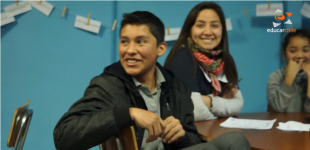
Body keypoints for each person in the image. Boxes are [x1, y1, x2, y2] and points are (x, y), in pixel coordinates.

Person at [53, 11, 251, 150]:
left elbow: (192, 139)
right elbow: (63, 136)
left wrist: (180, 136)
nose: (130, 50)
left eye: (140, 41)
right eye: (124, 41)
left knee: (236, 140)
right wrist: (128, 114)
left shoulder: (176, 87)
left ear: (161, 49)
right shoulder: (107, 85)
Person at [164, 2, 243, 121]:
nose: (207, 32)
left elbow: (238, 105)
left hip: (214, 131)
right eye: (200, 25)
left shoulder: (225, 60)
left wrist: (208, 101)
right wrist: (221, 111)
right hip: (188, 136)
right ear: (190, 29)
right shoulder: (183, 57)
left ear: (222, 30)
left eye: (214, 26)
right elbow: (194, 110)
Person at [267, 28, 310, 113]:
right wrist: (290, 77)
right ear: (285, 54)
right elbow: (277, 107)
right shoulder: (276, 76)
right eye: (293, 51)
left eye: (305, 50)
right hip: (281, 125)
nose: (300, 55)